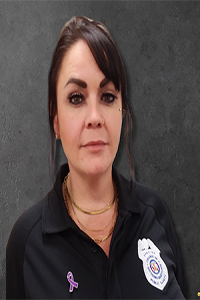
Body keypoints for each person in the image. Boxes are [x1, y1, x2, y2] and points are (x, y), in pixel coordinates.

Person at [6, 16, 186, 300]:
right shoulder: (26, 243)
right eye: (76, 98)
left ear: (122, 111)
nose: (94, 118)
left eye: (108, 96)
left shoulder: (155, 213)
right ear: (55, 119)